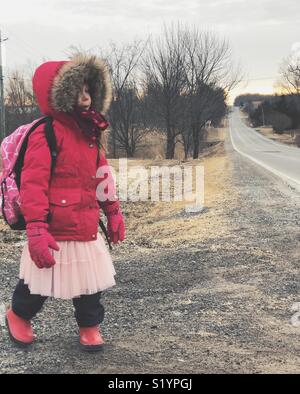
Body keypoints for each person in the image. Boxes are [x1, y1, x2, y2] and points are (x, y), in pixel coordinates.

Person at [5, 54, 125, 352]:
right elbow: (32, 185)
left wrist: (113, 211)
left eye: (88, 90)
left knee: (89, 284)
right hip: (52, 227)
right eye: (78, 91)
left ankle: (90, 327)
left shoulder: (91, 130)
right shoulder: (45, 133)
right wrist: (35, 228)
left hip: (85, 224)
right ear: (60, 95)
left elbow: (102, 174)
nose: (86, 98)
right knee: (38, 283)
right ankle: (18, 315)